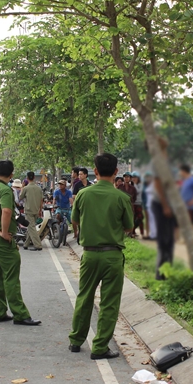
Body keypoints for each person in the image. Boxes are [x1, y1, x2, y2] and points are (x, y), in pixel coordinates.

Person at [69, 153, 134, 359]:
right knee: (109, 301)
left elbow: (75, 220)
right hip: (112, 255)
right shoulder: (122, 198)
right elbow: (129, 226)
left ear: (95, 172)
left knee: (84, 296)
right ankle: (99, 347)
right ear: (116, 172)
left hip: (89, 254)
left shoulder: (83, 195)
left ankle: (76, 340)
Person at [0, 160, 41, 326]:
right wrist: (4, 232)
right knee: (11, 277)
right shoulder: (5, 190)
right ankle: (20, 314)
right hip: (1, 237)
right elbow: (7, 210)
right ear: (11, 175)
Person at [151, 138, 176, 280]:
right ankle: (161, 273)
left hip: (168, 203)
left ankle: (167, 270)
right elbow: (158, 185)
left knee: (169, 240)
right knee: (164, 239)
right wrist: (165, 205)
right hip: (161, 204)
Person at [19, 171, 44, 251]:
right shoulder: (39, 188)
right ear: (33, 177)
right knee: (31, 227)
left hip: (29, 210)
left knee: (31, 227)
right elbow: (41, 200)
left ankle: (38, 245)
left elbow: (20, 197)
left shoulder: (26, 188)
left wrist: (22, 187)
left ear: (27, 178)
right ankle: (26, 244)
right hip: (36, 210)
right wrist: (40, 210)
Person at [131, 172, 145, 238]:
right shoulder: (131, 185)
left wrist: (135, 184)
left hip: (139, 203)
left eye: (135, 177)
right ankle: (132, 232)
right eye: (133, 177)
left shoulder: (140, 185)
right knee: (133, 218)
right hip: (132, 204)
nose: (134, 179)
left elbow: (138, 191)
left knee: (140, 217)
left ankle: (142, 233)